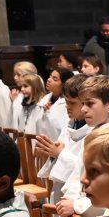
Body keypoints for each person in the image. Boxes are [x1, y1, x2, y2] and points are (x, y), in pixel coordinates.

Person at [58, 75, 109, 217]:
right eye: (83, 104)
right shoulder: (92, 135)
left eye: (90, 104)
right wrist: (70, 198)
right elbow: (78, 177)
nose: (84, 109)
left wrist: (77, 205)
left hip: (101, 216)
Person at [35, 75, 90, 203]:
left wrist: (60, 154)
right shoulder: (68, 126)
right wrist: (51, 154)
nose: (67, 106)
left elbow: (85, 171)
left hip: (78, 197)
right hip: (59, 190)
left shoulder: (94, 131)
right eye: (66, 101)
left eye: (72, 103)